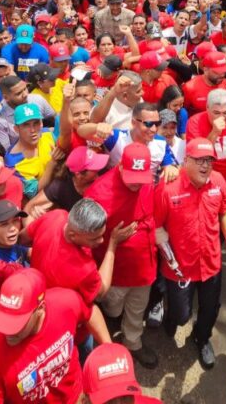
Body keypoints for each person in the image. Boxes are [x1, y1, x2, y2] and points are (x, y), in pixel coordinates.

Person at [154, 138, 226, 369]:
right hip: (179, 269)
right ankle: (171, 315)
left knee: (210, 310)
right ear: (185, 161)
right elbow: (156, 225)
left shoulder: (219, 182)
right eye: (199, 160)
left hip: (211, 263)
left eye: (209, 161)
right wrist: (168, 256)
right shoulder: (168, 188)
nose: (205, 166)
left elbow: (224, 211)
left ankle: (201, 339)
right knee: (181, 314)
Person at [0, 268, 107, 404]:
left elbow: (90, 311)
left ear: (40, 309)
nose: (8, 332)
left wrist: (108, 346)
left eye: (18, 323)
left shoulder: (65, 304)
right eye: (5, 317)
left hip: (77, 397)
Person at [85, 143, 158, 369]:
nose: (137, 182)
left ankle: (132, 341)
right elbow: (85, 238)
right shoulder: (98, 194)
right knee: (113, 308)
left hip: (144, 266)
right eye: (132, 176)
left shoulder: (146, 182)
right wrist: (112, 240)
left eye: (142, 177)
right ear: (119, 166)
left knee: (137, 307)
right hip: (116, 272)